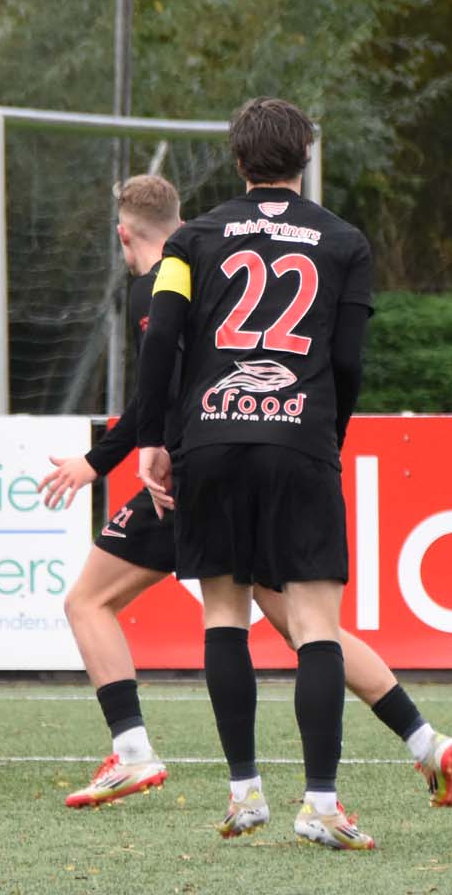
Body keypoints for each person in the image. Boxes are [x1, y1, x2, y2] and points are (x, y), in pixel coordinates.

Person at [40, 175, 452, 820]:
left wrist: (98, 461)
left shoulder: (163, 280)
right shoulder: (229, 254)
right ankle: (425, 741)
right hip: (263, 450)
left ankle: (135, 752)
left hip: (191, 473)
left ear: (123, 234)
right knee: (306, 627)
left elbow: (162, 385)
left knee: (89, 601)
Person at [131, 98, 378, 851]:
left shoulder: (192, 238)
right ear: (305, 156)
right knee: (315, 626)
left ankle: (244, 792)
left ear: (237, 160)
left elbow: (160, 338)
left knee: (223, 615)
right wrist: (326, 434)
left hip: (209, 439)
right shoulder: (344, 241)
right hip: (299, 440)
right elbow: (347, 361)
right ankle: (321, 804)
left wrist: (154, 439)